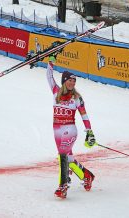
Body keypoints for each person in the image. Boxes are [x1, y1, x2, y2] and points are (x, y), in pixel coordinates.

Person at [46, 50, 98, 199]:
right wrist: (51, 61)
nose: (72, 83)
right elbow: (49, 76)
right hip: (57, 129)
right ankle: (87, 175)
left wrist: (89, 131)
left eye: (74, 81)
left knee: (62, 155)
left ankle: (63, 186)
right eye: (70, 80)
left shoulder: (77, 98)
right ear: (64, 81)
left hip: (70, 129)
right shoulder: (56, 91)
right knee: (67, 158)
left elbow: (84, 115)